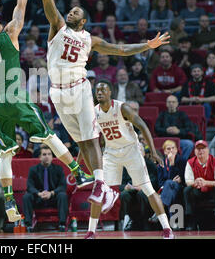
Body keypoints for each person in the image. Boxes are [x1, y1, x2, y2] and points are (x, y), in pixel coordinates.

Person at [23, 0, 170, 215]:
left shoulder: (91, 40)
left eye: (76, 12)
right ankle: (102, 185)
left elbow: (122, 50)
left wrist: (148, 45)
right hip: (57, 92)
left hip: (80, 89)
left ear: (84, 20)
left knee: (91, 139)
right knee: (80, 143)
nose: (71, 12)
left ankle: (101, 185)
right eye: (71, 10)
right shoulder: (57, 26)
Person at [0, 0, 94, 226]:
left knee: (4, 154)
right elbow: (21, 6)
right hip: (15, 98)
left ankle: (8, 200)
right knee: (48, 136)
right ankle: (78, 172)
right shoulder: (10, 33)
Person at [86, 81, 173, 239]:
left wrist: (153, 152)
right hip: (111, 152)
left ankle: (167, 229)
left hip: (131, 150)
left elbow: (143, 126)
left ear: (110, 92)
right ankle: (91, 232)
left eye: (103, 90)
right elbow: (90, 140)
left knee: (148, 189)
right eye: (97, 90)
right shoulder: (94, 112)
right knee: (97, 190)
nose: (99, 92)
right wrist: (80, 158)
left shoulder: (122, 107)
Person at [23, 145, 68, 232]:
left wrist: (51, 193)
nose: (47, 156)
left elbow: (62, 186)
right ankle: (28, 225)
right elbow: (30, 186)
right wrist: (38, 193)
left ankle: (62, 224)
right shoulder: (33, 170)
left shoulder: (58, 169)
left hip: (53, 198)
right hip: (39, 198)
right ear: (39, 157)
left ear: (52, 157)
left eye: (49, 154)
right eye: (44, 154)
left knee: (62, 195)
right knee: (27, 196)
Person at [183, 140, 215, 231]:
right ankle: (191, 221)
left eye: (203, 148)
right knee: (187, 190)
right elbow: (188, 182)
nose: (200, 151)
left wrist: (206, 182)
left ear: (208, 150)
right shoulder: (190, 162)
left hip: (212, 190)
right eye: (198, 149)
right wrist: (196, 183)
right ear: (194, 151)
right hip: (197, 189)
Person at [155, 95, 200, 161]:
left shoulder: (182, 114)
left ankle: (180, 162)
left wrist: (179, 131)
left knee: (189, 144)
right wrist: (166, 130)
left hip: (179, 140)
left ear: (177, 104)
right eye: (169, 102)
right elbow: (156, 128)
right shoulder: (162, 114)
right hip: (164, 139)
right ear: (166, 104)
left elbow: (188, 129)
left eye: (173, 102)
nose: (171, 104)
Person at [157, 140, 187, 215]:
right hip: (167, 190)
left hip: (180, 188)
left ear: (177, 150)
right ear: (164, 152)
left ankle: (160, 209)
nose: (171, 150)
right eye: (168, 149)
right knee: (170, 185)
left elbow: (184, 178)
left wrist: (172, 164)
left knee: (169, 183)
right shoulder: (161, 164)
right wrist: (171, 182)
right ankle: (175, 224)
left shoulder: (183, 161)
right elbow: (160, 183)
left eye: (173, 148)